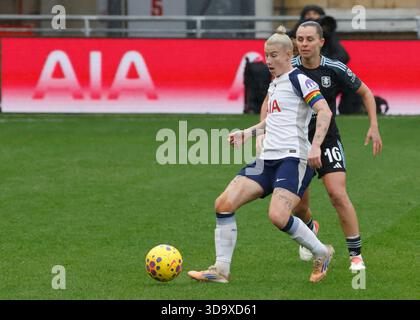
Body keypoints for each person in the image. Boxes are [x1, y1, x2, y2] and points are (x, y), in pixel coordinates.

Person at [188, 27, 334, 284]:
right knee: (223, 204)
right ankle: (221, 270)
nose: (268, 61)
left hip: (293, 158)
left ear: (289, 55)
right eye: (266, 55)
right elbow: (274, 121)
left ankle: (322, 252)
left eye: (273, 55)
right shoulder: (276, 83)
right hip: (267, 160)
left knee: (278, 216)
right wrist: (248, 132)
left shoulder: (301, 80)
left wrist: (315, 146)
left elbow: (324, 112)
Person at [259, 21, 383, 271]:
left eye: (309, 39)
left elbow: (366, 93)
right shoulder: (288, 69)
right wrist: (263, 130)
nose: (303, 44)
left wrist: (374, 125)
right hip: (296, 144)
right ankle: (311, 227)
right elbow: (268, 101)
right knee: (299, 206)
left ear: (321, 42)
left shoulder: (334, 69)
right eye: (300, 39)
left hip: (326, 142)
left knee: (337, 195)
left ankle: (355, 256)